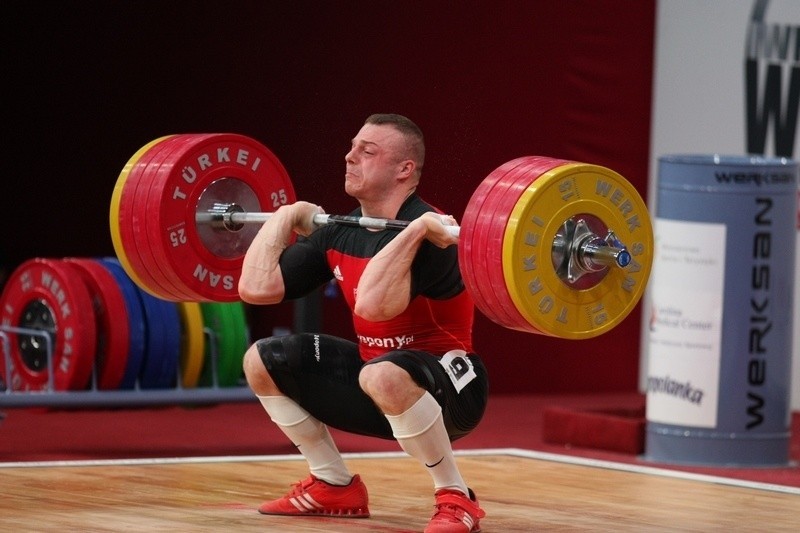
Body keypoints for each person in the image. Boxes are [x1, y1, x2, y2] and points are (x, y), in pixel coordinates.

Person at [239, 113, 489, 533]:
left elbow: (372, 306)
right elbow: (255, 288)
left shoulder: (435, 234)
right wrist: (285, 217)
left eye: (366, 151)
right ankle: (333, 484)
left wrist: (416, 231)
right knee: (262, 360)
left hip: (452, 391)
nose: (349, 157)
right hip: (378, 384)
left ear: (404, 169)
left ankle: (457, 498)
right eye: (352, 147)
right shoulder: (339, 230)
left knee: (383, 374)